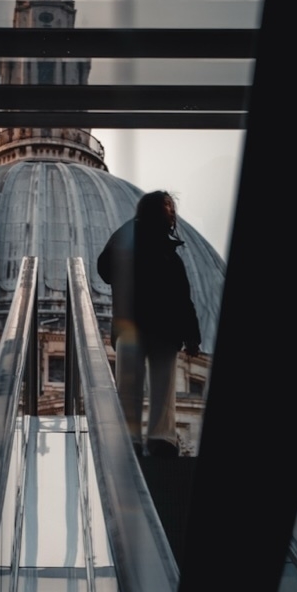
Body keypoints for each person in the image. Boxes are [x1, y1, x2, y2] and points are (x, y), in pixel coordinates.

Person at [97, 190, 202, 458]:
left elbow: (183, 297)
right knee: (129, 383)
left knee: (163, 383)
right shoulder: (130, 239)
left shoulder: (172, 255)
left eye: (172, 206)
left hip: (163, 328)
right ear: (153, 209)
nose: (171, 210)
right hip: (135, 325)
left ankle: (161, 438)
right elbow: (105, 269)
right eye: (166, 205)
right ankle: (130, 437)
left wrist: (192, 337)